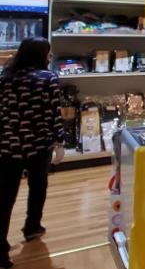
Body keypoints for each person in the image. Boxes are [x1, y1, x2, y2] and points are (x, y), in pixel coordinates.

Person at [0, 38, 65, 269]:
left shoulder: (6, 77)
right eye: (48, 52)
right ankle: (32, 227)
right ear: (41, 55)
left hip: (8, 144)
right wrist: (59, 142)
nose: (50, 56)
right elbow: (53, 114)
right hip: (38, 144)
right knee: (38, 187)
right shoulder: (47, 78)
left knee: (5, 196)